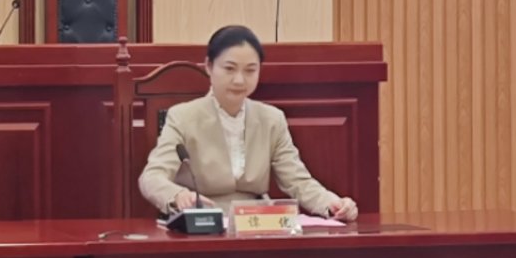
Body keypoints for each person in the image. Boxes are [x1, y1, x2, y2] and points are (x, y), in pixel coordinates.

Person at [140, 24, 359, 221]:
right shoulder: (183, 117)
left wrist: (332, 203)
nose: (239, 80)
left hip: (256, 224)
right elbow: (152, 177)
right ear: (208, 66)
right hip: (203, 223)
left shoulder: (272, 119)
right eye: (229, 69)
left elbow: (297, 181)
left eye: (250, 70)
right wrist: (178, 195)